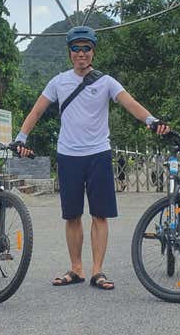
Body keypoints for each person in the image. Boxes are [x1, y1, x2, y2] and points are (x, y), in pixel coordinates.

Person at [13, 26, 169, 291]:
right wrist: (21, 137)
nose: (81, 53)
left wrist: (152, 120)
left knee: (100, 215)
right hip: (68, 155)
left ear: (93, 52)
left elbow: (130, 103)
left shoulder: (106, 82)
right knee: (72, 216)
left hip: (98, 153)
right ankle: (76, 269)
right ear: (69, 53)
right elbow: (37, 110)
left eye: (86, 48)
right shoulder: (59, 82)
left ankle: (97, 271)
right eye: (76, 48)